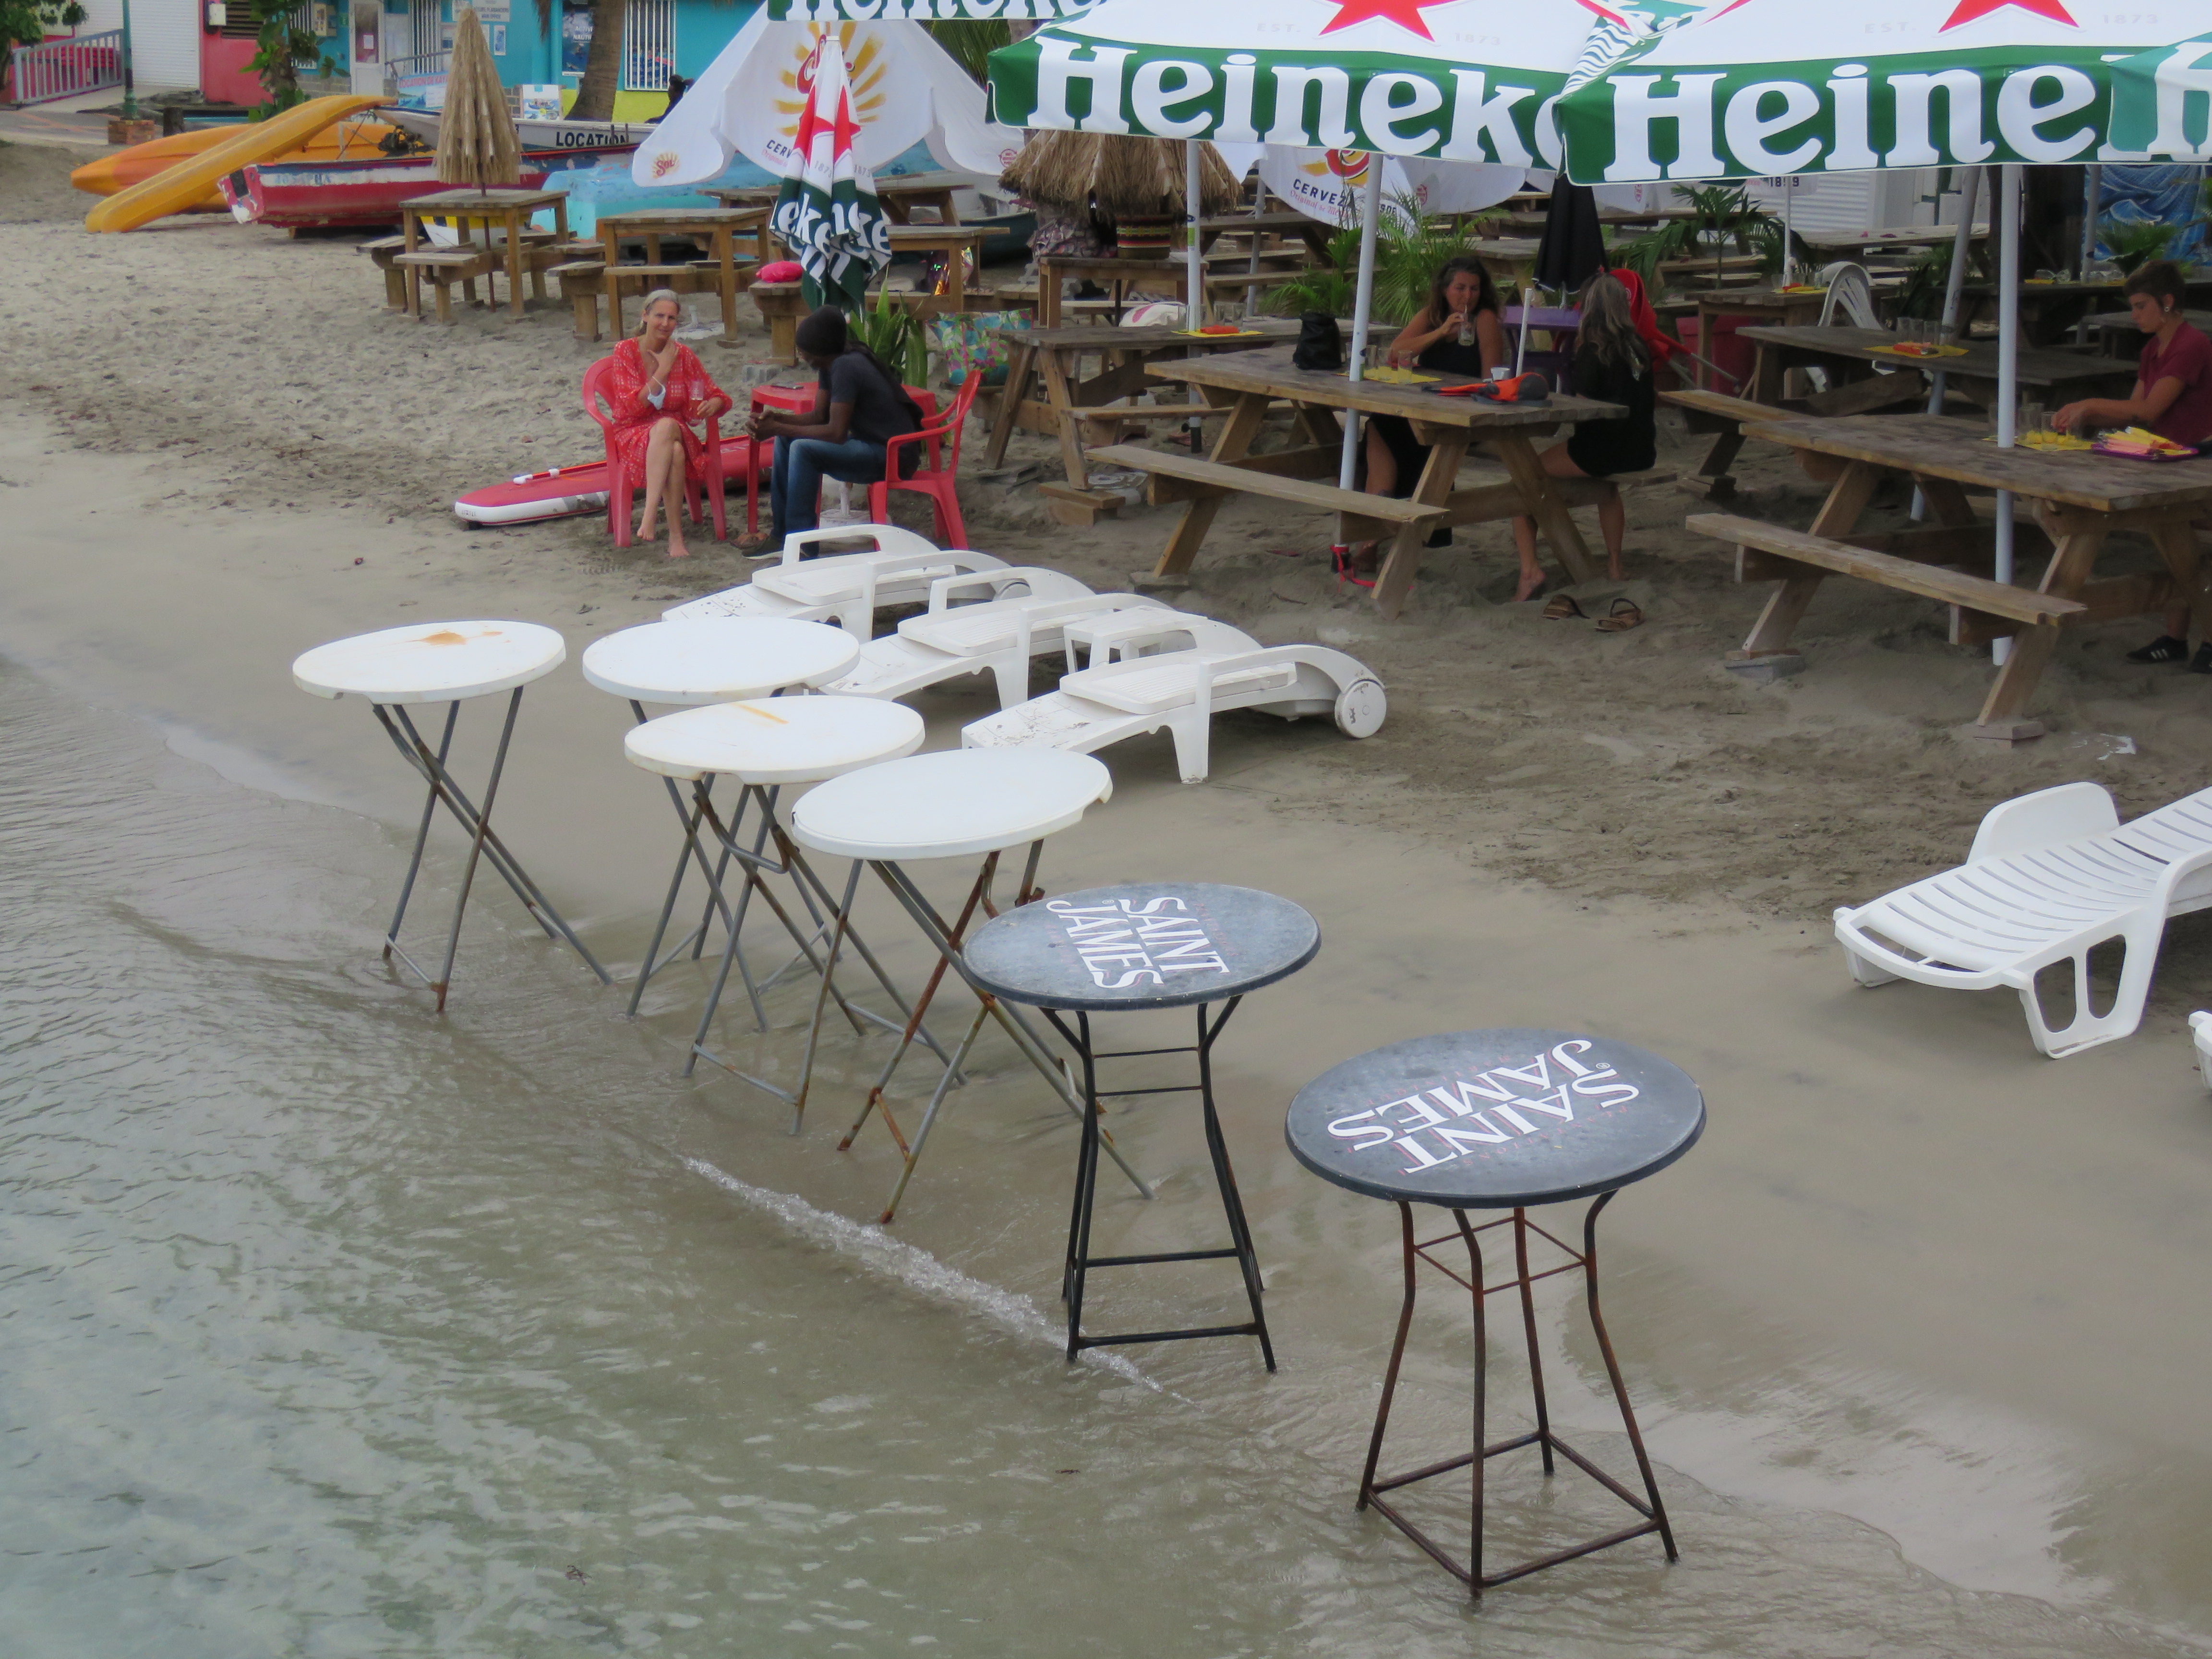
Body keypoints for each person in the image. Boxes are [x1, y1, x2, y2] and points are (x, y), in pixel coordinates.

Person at [2054, 261, 2212, 668]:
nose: (2135, 315)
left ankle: (2198, 640)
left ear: (2168, 302)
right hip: (2169, 456)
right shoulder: (2153, 349)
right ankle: (2176, 639)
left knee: (2186, 543)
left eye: (2141, 306)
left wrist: (2089, 403)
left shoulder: (2191, 345)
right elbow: (2134, 411)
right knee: (2176, 543)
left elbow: (2149, 409)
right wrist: (2086, 415)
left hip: (2200, 460)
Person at [1510, 269, 1655, 603]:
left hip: (1601, 450)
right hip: (1641, 449)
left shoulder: (1593, 349)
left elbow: (1582, 404)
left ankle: (1530, 571)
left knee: (1525, 478)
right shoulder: (1638, 346)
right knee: (1607, 489)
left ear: (1588, 308)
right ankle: (1615, 565)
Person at [744, 307, 924, 553]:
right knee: (786, 441)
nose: (802, 356)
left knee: (803, 450)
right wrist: (778, 420)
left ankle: (802, 546)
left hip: (891, 455)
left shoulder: (846, 367)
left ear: (819, 352)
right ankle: (781, 536)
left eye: (804, 352)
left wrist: (777, 428)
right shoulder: (831, 361)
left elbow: (836, 433)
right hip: (870, 444)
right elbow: (819, 416)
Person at [1359, 253, 1506, 514]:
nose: (1468, 296)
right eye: (1460, 288)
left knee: (1387, 428)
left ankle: (1382, 510)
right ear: (1445, 289)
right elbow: (1396, 353)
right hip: (1427, 406)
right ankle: (1383, 504)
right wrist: (1440, 332)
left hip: (1463, 413)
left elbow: (1491, 381)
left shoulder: (1484, 319)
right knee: (1381, 422)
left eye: (1474, 289)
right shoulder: (1433, 316)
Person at [597, 289, 730, 560]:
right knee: (675, 451)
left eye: (672, 318)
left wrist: (713, 405)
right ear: (645, 316)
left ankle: (649, 517)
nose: (665, 323)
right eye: (659, 316)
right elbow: (633, 406)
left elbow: (719, 396)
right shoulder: (625, 350)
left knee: (668, 426)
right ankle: (675, 537)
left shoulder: (684, 354)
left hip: (676, 428)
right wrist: (663, 369)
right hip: (633, 431)